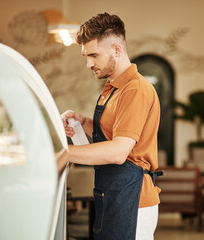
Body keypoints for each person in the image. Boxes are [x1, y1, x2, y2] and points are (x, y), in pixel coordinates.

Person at [63, 12, 162, 240]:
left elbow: (119, 152)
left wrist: (63, 154)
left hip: (133, 200)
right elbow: (113, 133)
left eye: (94, 55)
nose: (88, 64)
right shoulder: (112, 88)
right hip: (113, 194)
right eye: (86, 56)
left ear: (117, 50)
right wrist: (84, 122)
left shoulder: (135, 89)